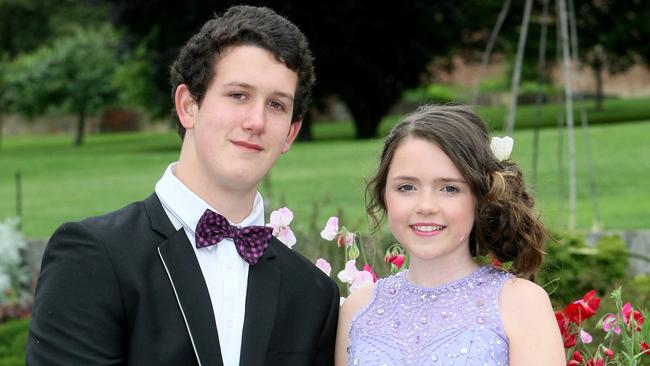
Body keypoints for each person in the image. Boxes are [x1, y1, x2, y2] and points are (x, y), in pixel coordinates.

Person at [26, 6, 339, 366]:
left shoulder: (314, 294)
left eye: (276, 105)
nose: (256, 121)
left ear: (291, 134)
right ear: (188, 105)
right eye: (238, 95)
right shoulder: (95, 256)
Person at [335, 104, 565, 365]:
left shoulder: (520, 303)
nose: (426, 206)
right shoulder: (358, 309)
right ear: (384, 195)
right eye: (407, 187)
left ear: (481, 197)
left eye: (449, 189)